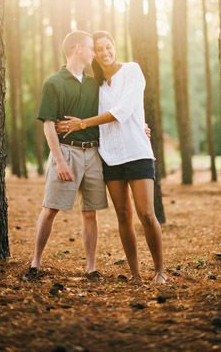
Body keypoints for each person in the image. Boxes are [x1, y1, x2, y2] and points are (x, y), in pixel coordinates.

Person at [59, 30, 167, 285]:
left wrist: (82, 124)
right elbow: (82, 110)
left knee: (146, 213)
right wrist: (62, 124)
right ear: (92, 54)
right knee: (123, 215)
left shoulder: (132, 70)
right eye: (99, 49)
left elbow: (124, 110)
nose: (105, 53)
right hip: (110, 157)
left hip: (137, 153)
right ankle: (135, 273)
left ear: (114, 47)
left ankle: (160, 270)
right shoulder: (96, 85)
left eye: (109, 47)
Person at [25, 30, 107, 282]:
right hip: (66, 152)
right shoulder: (54, 83)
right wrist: (59, 160)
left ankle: (91, 268)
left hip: (93, 153)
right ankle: (35, 263)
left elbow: (112, 113)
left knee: (90, 213)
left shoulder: (96, 84)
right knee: (50, 209)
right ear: (77, 49)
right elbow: (48, 124)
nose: (95, 53)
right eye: (91, 48)